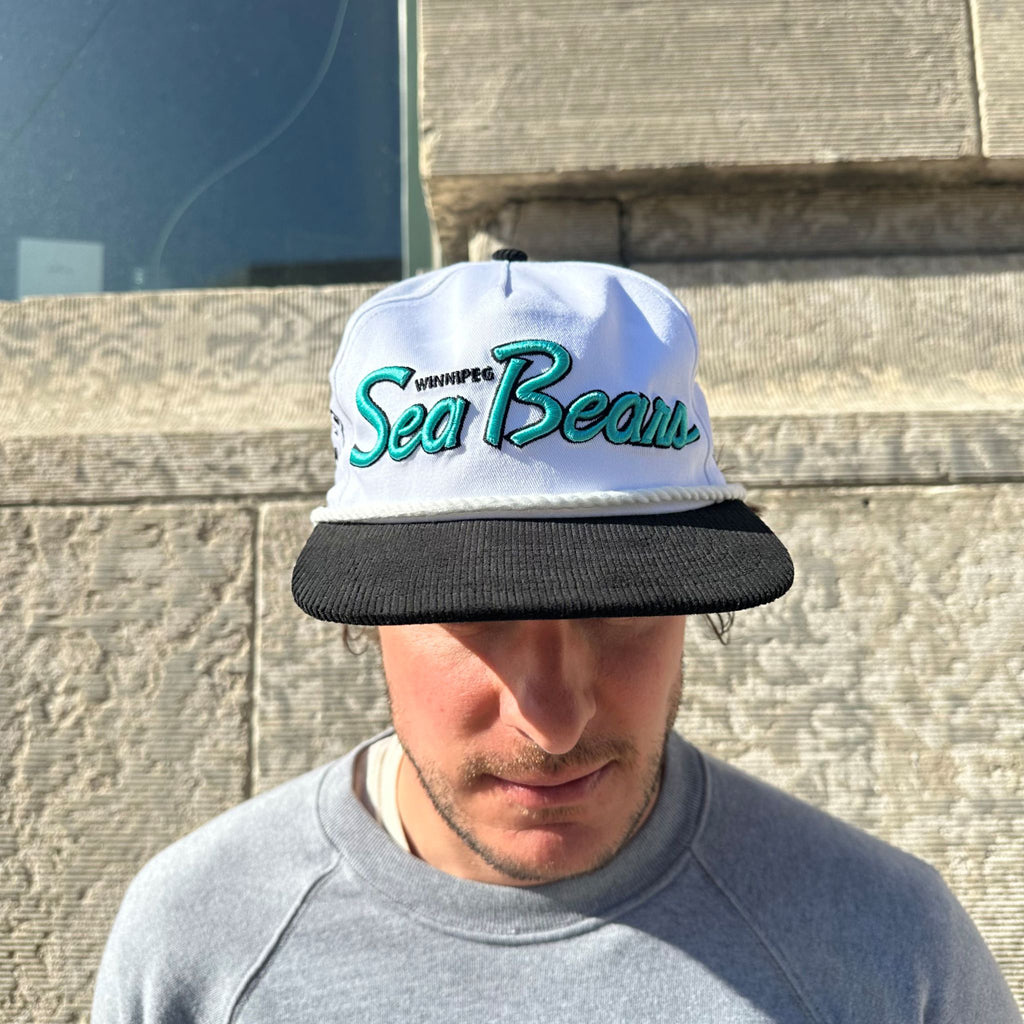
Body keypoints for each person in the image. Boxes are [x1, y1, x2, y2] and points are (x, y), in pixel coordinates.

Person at [93, 253, 1021, 1023]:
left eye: (621, 610)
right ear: (372, 623)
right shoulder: (198, 948)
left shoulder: (892, 949)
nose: (554, 721)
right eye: (477, 614)